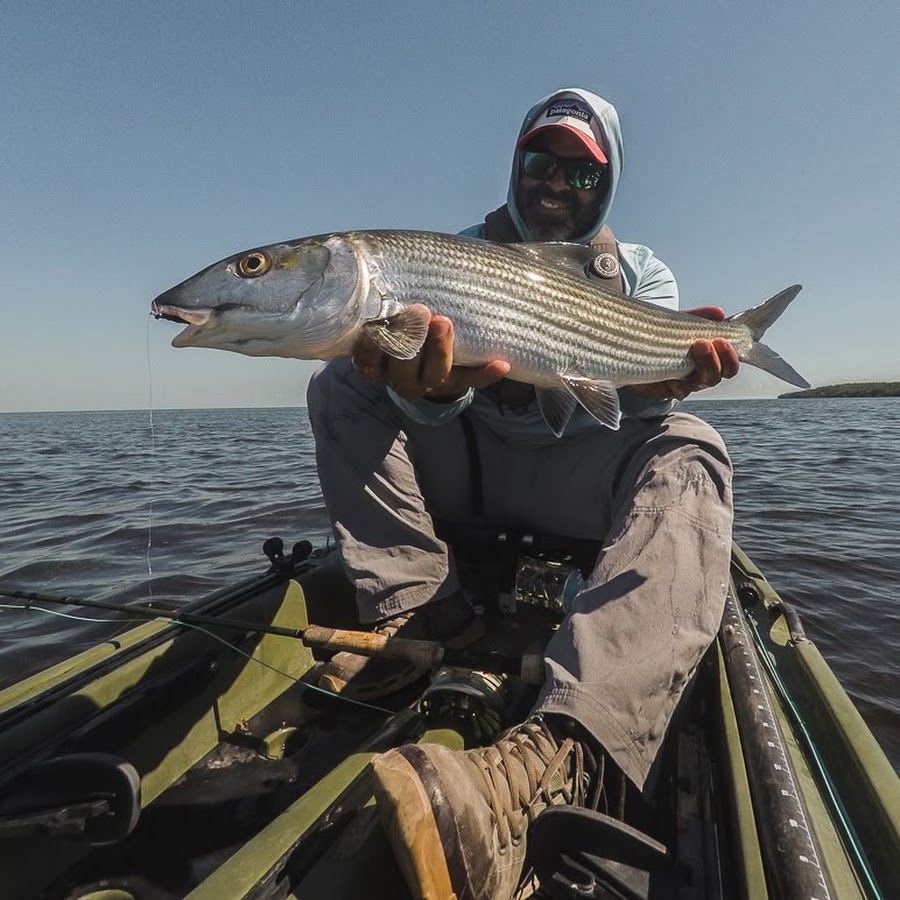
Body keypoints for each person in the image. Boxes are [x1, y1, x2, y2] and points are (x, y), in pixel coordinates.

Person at [306, 88, 738, 900]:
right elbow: (420, 385)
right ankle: (415, 606)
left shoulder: (642, 274)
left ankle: (563, 754)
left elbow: (624, 409)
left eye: (582, 172)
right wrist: (428, 394)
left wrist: (668, 385)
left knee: (692, 454)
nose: (557, 182)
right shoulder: (456, 255)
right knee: (341, 383)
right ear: (516, 165)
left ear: (607, 186)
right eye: (542, 162)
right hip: (469, 471)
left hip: (580, 479)